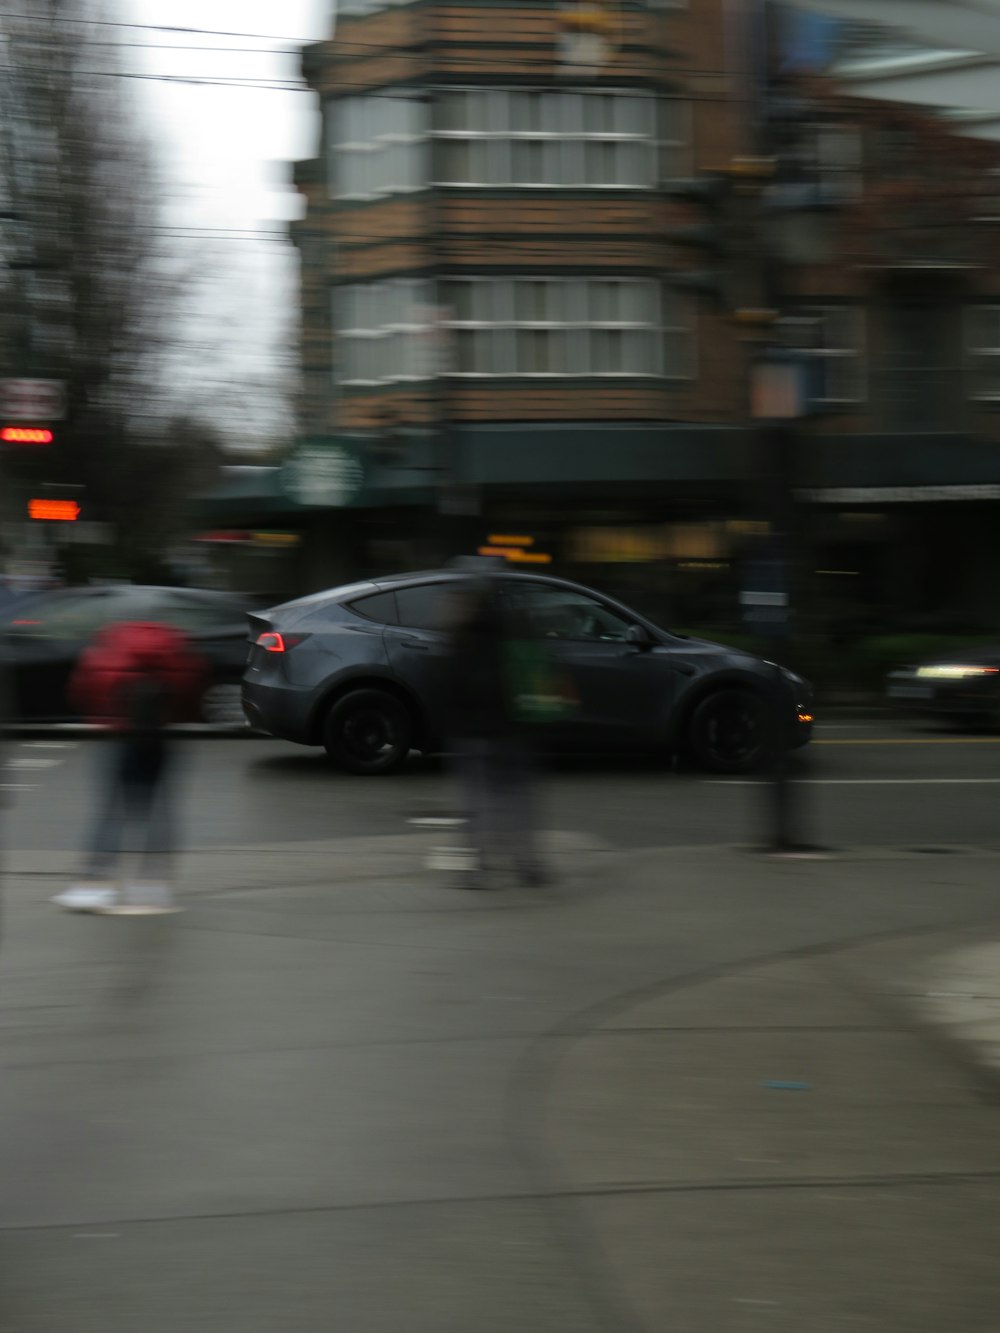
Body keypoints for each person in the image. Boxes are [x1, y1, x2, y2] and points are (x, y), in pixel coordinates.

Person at [52, 620, 204, 915]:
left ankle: (95, 886)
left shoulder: (103, 650)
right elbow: (195, 692)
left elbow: (78, 692)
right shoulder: (177, 651)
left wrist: (101, 717)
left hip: (117, 736)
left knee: (111, 810)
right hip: (162, 737)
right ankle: (153, 888)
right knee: (158, 809)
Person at [444, 578, 558, 890]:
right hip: (511, 729)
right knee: (519, 799)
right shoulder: (514, 631)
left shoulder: (461, 637)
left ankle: (476, 868)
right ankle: (527, 863)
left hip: (472, 732)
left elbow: (453, 686)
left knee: (475, 802)